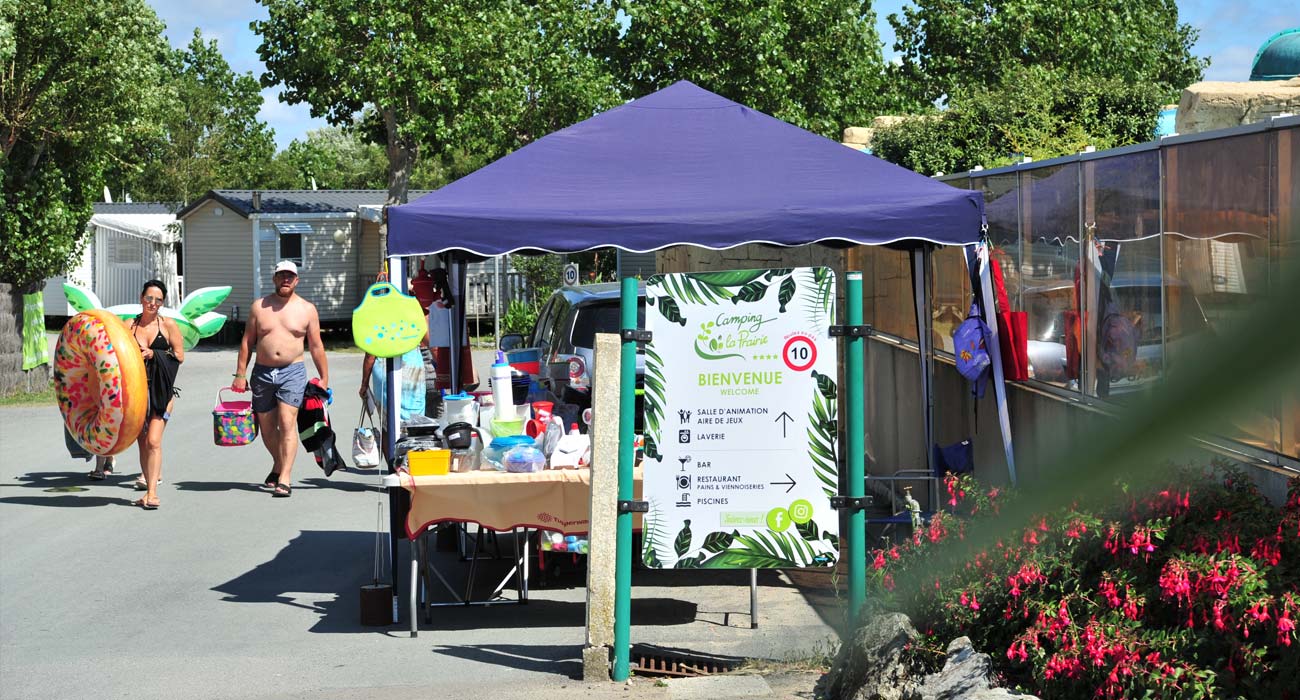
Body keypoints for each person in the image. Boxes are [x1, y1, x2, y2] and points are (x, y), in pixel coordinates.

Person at [231, 261, 329, 498]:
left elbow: (316, 346)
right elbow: (247, 342)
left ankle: (285, 477)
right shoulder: (259, 307)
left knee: (287, 422)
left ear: (296, 280)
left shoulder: (307, 309)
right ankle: (278, 462)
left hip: (292, 372)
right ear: (274, 278)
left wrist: (324, 377)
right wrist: (240, 374)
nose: (286, 279)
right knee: (266, 427)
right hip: (262, 373)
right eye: (281, 275)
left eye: (290, 276)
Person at [127, 280, 185, 509]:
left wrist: (154, 354)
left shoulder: (168, 325)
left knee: (153, 440)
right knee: (142, 442)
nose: (152, 303)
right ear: (141, 297)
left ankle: (152, 493)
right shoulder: (128, 325)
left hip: (162, 393)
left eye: (158, 300)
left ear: (162, 303)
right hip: (136, 393)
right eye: (149, 298)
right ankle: (148, 488)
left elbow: (180, 356)